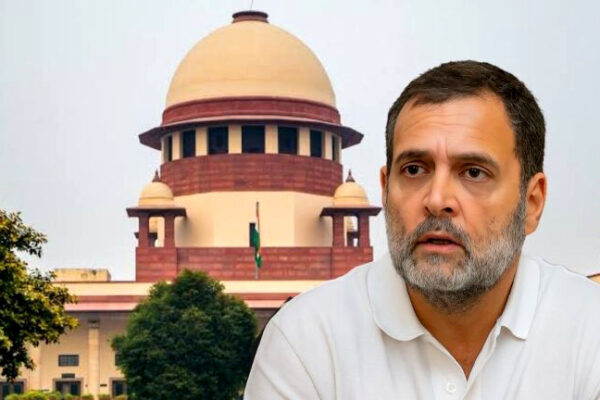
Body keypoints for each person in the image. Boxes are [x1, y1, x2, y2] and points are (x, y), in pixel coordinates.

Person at [244, 61, 600, 399]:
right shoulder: (307, 342)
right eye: (414, 169)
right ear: (386, 190)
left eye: (473, 172)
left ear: (532, 203)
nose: (436, 199)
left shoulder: (589, 331)